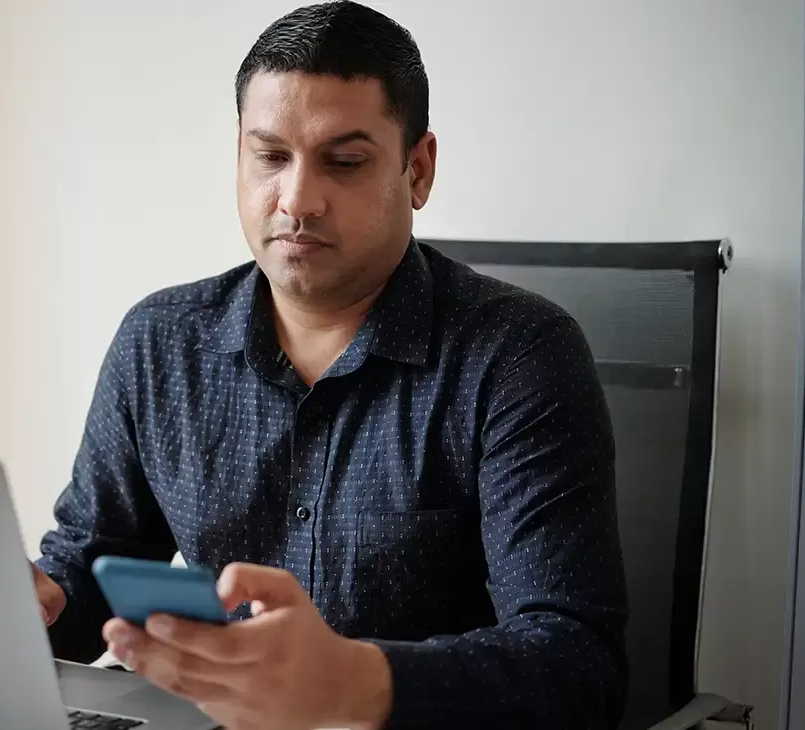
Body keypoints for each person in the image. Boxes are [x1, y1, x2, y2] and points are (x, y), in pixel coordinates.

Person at [32, 2, 629, 728]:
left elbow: (575, 665)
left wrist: (352, 680)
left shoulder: (518, 355)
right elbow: (93, 566)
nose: (297, 199)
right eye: (271, 157)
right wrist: (38, 604)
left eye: (344, 162)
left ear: (418, 170)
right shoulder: (160, 341)